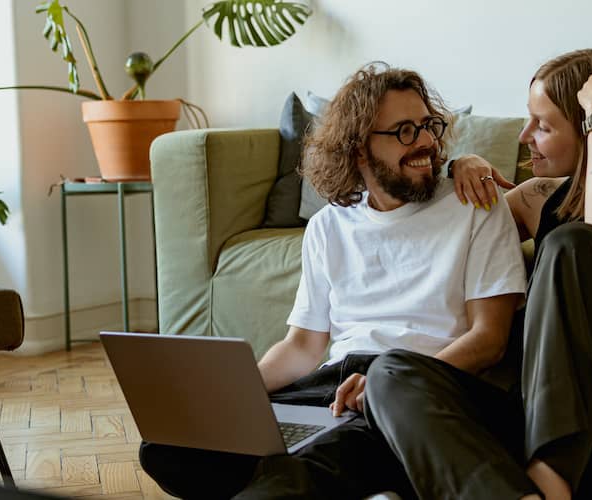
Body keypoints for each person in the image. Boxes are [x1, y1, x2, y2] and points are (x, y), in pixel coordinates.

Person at [138, 62, 528, 499]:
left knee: (306, 468)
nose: (425, 142)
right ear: (358, 149)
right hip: (329, 387)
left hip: (413, 393)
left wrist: (387, 386)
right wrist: (234, 394)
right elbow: (303, 346)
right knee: (171, 445)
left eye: (428, 126)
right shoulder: (327, 227)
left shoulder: (473, 204)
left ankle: (301, 480)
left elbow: (489, 337)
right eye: (403, 131)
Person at [365, 48, 592, 499]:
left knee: (575, 243)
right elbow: (449, 238)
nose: (525, 135)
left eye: (544, 125)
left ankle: (551, 479)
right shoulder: (537, 196)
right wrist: (461, 166)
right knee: (391, 374)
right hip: (539, 425)